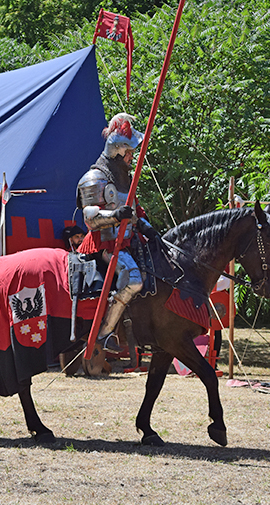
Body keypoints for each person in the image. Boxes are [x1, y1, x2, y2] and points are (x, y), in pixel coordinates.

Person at [75, 113, 156, 352]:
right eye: (129, 152)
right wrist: (114, 216)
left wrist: (150, 230)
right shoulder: (95, 178)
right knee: (133, 279)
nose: (132, 157)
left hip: (128, 241)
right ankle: (105, 331)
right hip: (104, 245)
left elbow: (136, 212)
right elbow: (90, 219)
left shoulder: (124, 179)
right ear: (118, 151)